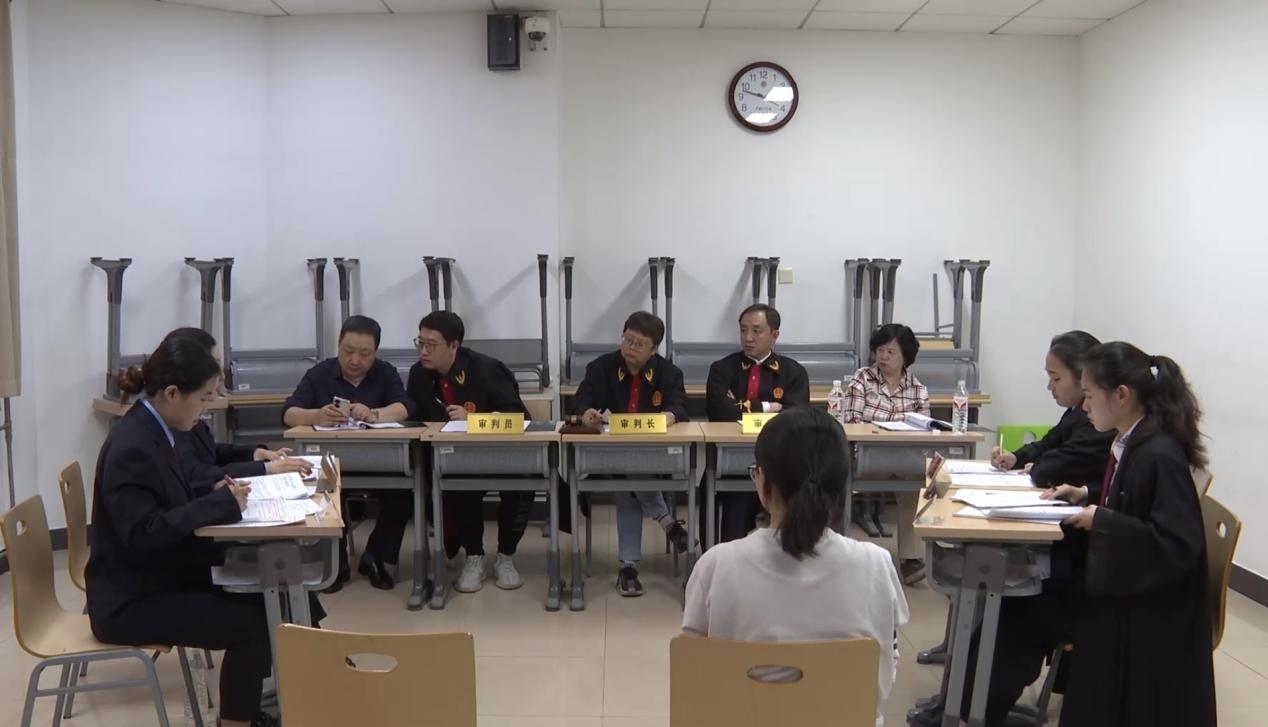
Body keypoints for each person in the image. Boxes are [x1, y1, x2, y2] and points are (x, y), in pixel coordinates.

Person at [910, 331, 1116, 726]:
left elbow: (1054, 463)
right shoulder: (1083, 416)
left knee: (1015, 611)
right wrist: (1021, 458)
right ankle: (959, 703)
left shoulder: (1111, 432)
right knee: (999, 599)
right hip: (1078, 556)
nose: (1050, 387)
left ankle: (969, 711)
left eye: (1056, 378)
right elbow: (1048, 448)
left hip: (1089, 574)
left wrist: (1043, 467)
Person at [86, 336, 277, 727]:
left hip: (157, 576)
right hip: (130, 599)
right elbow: (145, 532)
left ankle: (279, 694)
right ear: (172, 393)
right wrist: (219, 503)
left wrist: (216, 495)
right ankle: (237, 720)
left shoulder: (156, 428)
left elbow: (175, 494)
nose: (206, 408)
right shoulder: (134, 446)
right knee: (253, 625)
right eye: (203, 398)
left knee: (273, 591)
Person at [683, 406, 909, 727]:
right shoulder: (876, 564)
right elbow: (886, 667)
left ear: (763, 481)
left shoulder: (716, 565)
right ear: (842, 484)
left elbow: (695, 672)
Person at [1045, 342, 1214, 727]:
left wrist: (1103, 521)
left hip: (1157, 608)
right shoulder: (1132, 442)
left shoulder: (1158, 454)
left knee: (1049, 602)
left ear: (1121, 395)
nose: (1085, 407)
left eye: (1089, 396)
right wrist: (1087, 495)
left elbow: (1176, 544)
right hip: (1136, 587)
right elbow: (1135, 505)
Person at [282, 315, 414, 591]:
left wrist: (375, 414)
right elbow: (289, 413)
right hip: (332, 464)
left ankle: (375, 557)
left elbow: (403, 407)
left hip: (380, 463)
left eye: (364, 354)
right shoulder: (319, 374)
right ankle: (336, 562)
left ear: (375, 352)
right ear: (338, 345)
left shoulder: (385, 373)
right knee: (326, 489)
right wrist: (316, 416)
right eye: (348, 351)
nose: (355, 360)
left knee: (403, 493)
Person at [406, 311, 532, 592]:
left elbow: (519, 419)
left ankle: (505, 556)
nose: (423, 351)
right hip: (453, 457)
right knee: (457, 484)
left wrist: (474, 419)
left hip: (502, 455)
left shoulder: (487, 370)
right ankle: (474, 556)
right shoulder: (418, 375)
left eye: (431, 345)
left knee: (521, 486)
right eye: (420, 343)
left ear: (454, 346)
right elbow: (415, 418)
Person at [571, 310, 691, 597]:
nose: (630, 347)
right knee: (629, 472)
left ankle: (628, 567)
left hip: (652, 456)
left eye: (639, 344)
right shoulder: (601, 368)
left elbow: (680, 406)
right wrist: (586, 413)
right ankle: (666, 521)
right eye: (627, 340)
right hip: (606, 453)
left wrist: (669, 416)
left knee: (628, 483)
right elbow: (581, 401)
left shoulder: (669, 373)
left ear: (653, 349)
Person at [705, 303, 809, 542]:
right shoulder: (722, 369)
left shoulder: (793, 372)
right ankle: (723, 556)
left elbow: (795, 417)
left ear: (774, 335)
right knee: (732, 499)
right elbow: (718, 411)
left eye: (756, 331)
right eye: (743, 330)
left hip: (780, 461)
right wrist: (769, 407)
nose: (748, 338)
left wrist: (739, 405)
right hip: (732, 459)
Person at [162, 327, 312, 483]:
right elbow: (197, 474)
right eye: (215, 365)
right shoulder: (174, 419)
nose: (222, 376)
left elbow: (209, 452)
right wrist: (265, 468)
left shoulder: (187, 412)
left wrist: (254, 454)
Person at [843, 323, 929, 584]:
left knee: (917, 481)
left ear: (906, 357)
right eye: (880, 350)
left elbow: (925, 430)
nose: (883, 356)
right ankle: (840, 555)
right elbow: (851, 420)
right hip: (866, 457)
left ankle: (910, 559)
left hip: (904, 458)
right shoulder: (862, 379)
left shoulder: (918, 389)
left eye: (891, 352)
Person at [990, 331, 1116, 488]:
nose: (1050, 387)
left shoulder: (1099, 420)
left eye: (1056, 378)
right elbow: (1046, 445)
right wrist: (1015, 457)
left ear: (1083, 376)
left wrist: (1038, 466)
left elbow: (1053, 469)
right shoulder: (1074, 412)